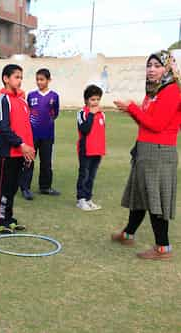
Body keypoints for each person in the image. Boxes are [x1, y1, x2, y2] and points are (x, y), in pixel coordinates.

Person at [112, 50, 181, 260]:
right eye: (149, 65)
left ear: (167, 68)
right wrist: (131, 111)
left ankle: (163, 248)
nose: (151, 69)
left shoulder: (171, 91)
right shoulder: (153, 92)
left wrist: (132, 107)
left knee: (154, 199)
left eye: (157, 65)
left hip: (159, 153)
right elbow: (145, 123)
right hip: (146, 150)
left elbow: (157, 125)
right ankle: (128, 234)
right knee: (141, 195)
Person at [0, 64, 35, 234]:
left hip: (21, 152)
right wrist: (20, 144)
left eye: (21, 77)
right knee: (4, 187)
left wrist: (29, 148)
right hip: (7, 152)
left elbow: (26, 127)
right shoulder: (2, 99)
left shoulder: (22, 101)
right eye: (16, 77)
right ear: (6, 78)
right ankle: (0, 219)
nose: (19, 80)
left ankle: (9, 218)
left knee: (13, 188)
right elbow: (3, 127)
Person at [19, 68, 61, 200]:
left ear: (49, 80)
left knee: (46, 162)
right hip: (32, 135)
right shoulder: (31, 95)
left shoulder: (54, 96)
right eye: (37, 79)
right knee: (29, 161)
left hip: (48, 135)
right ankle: (25, 188)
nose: (39, 82)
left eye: (42, 79)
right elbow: (28, 113)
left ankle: (45, 187)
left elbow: (55, 113)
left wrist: (46, 122)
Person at [76, 85, 105, 211]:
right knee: (84, 174)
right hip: (86, 150)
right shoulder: (82, 113)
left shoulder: (102, 114)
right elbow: (85, 129)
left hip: (97, 150)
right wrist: (91, 115)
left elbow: (101, 133)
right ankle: (81, 199)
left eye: (98, 99)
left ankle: (88, 199)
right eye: (93, 99)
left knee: (92, 175)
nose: (95, 102)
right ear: (87, 100)